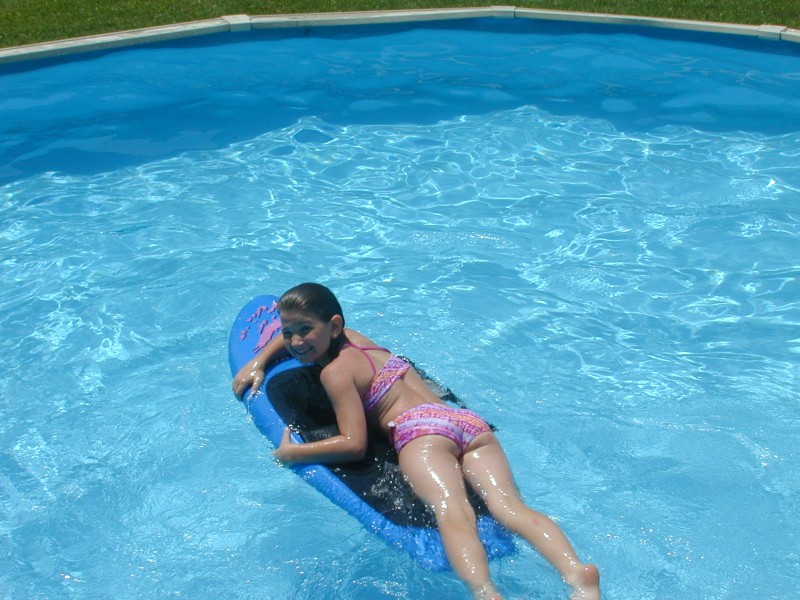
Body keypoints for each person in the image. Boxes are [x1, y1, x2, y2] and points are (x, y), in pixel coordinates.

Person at [232, 282, 600, 600]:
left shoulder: (335, 372)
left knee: (452, 512)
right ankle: (577, 574)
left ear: (332, 326)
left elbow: (354, 443)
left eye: (303, 330)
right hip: (465, 423)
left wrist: (294, 452)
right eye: (287, 332)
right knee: (508, 506)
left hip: (421, 434)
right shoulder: (360, 342)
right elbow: (298, 338)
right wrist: (260, 360)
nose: (295, 341)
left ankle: (485, 593)